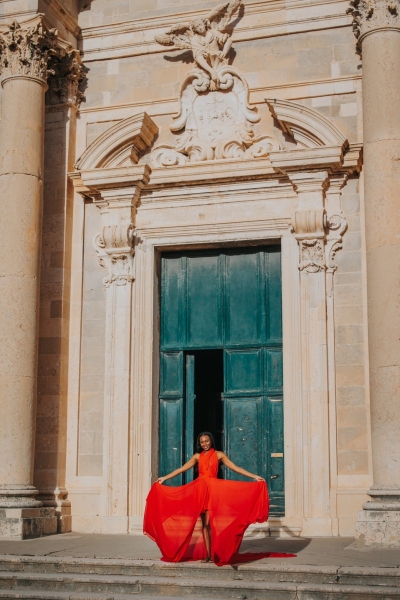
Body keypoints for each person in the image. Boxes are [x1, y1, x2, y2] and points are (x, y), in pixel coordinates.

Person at [143, 432, 271, 566]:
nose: (205, 444)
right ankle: (208, 554)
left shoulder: (219, 455)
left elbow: (236, 468)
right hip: (199, 491)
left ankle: (212, 553)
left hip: (214, 492)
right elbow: (182, 469)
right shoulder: (197, 457)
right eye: (202, 442)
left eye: (207, 441)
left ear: (211, 441)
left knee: (209, 524)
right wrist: (165, 478)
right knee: (204, 525)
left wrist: (254, 476)